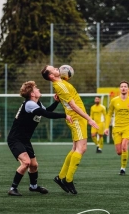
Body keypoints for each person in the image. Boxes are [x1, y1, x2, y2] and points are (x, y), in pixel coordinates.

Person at [7, 81, 73, 196]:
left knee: (34, 165)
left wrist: (56, 102)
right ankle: (13, 188)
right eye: (36, 88)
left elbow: (46, 111)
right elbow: (46, 114)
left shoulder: (36, 103)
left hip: (25, 140)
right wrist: (64, 115)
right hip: (15, 139)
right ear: (32, 94)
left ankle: (33, 186)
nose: (38, 90)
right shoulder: (29, 104)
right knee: (26, 162)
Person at [41, 65, 99, 195]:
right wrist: (89, 119)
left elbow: (65, 93)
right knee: (81, 148)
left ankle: (61, 177)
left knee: (75, 149)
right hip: (76, 118)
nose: (57, 68)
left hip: (78, 117)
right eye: (54, 69)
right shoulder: (60, 85)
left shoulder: (61, 82)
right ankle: (68, 179)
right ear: (51, 76)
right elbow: (72, 105)